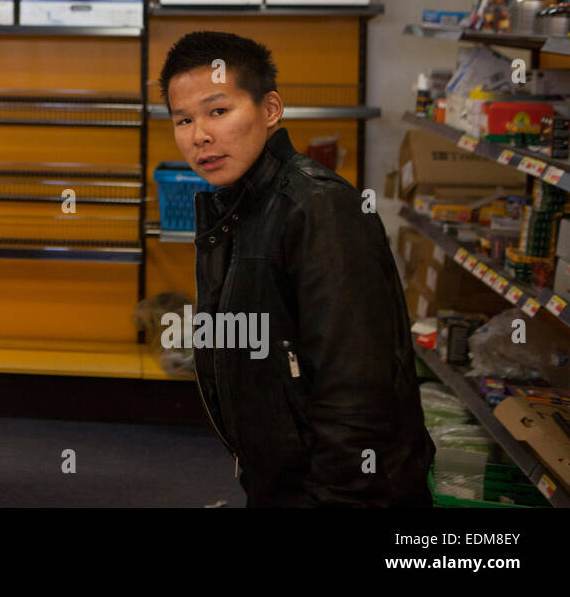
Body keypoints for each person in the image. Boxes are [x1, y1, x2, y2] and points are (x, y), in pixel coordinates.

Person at [159, 29, 434, 507]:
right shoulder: (239, 205)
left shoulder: (319, 209)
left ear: (269, 110)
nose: (199, 135)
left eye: (218, 111)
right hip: (282, 480)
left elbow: (358, 391)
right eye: (183, 119)